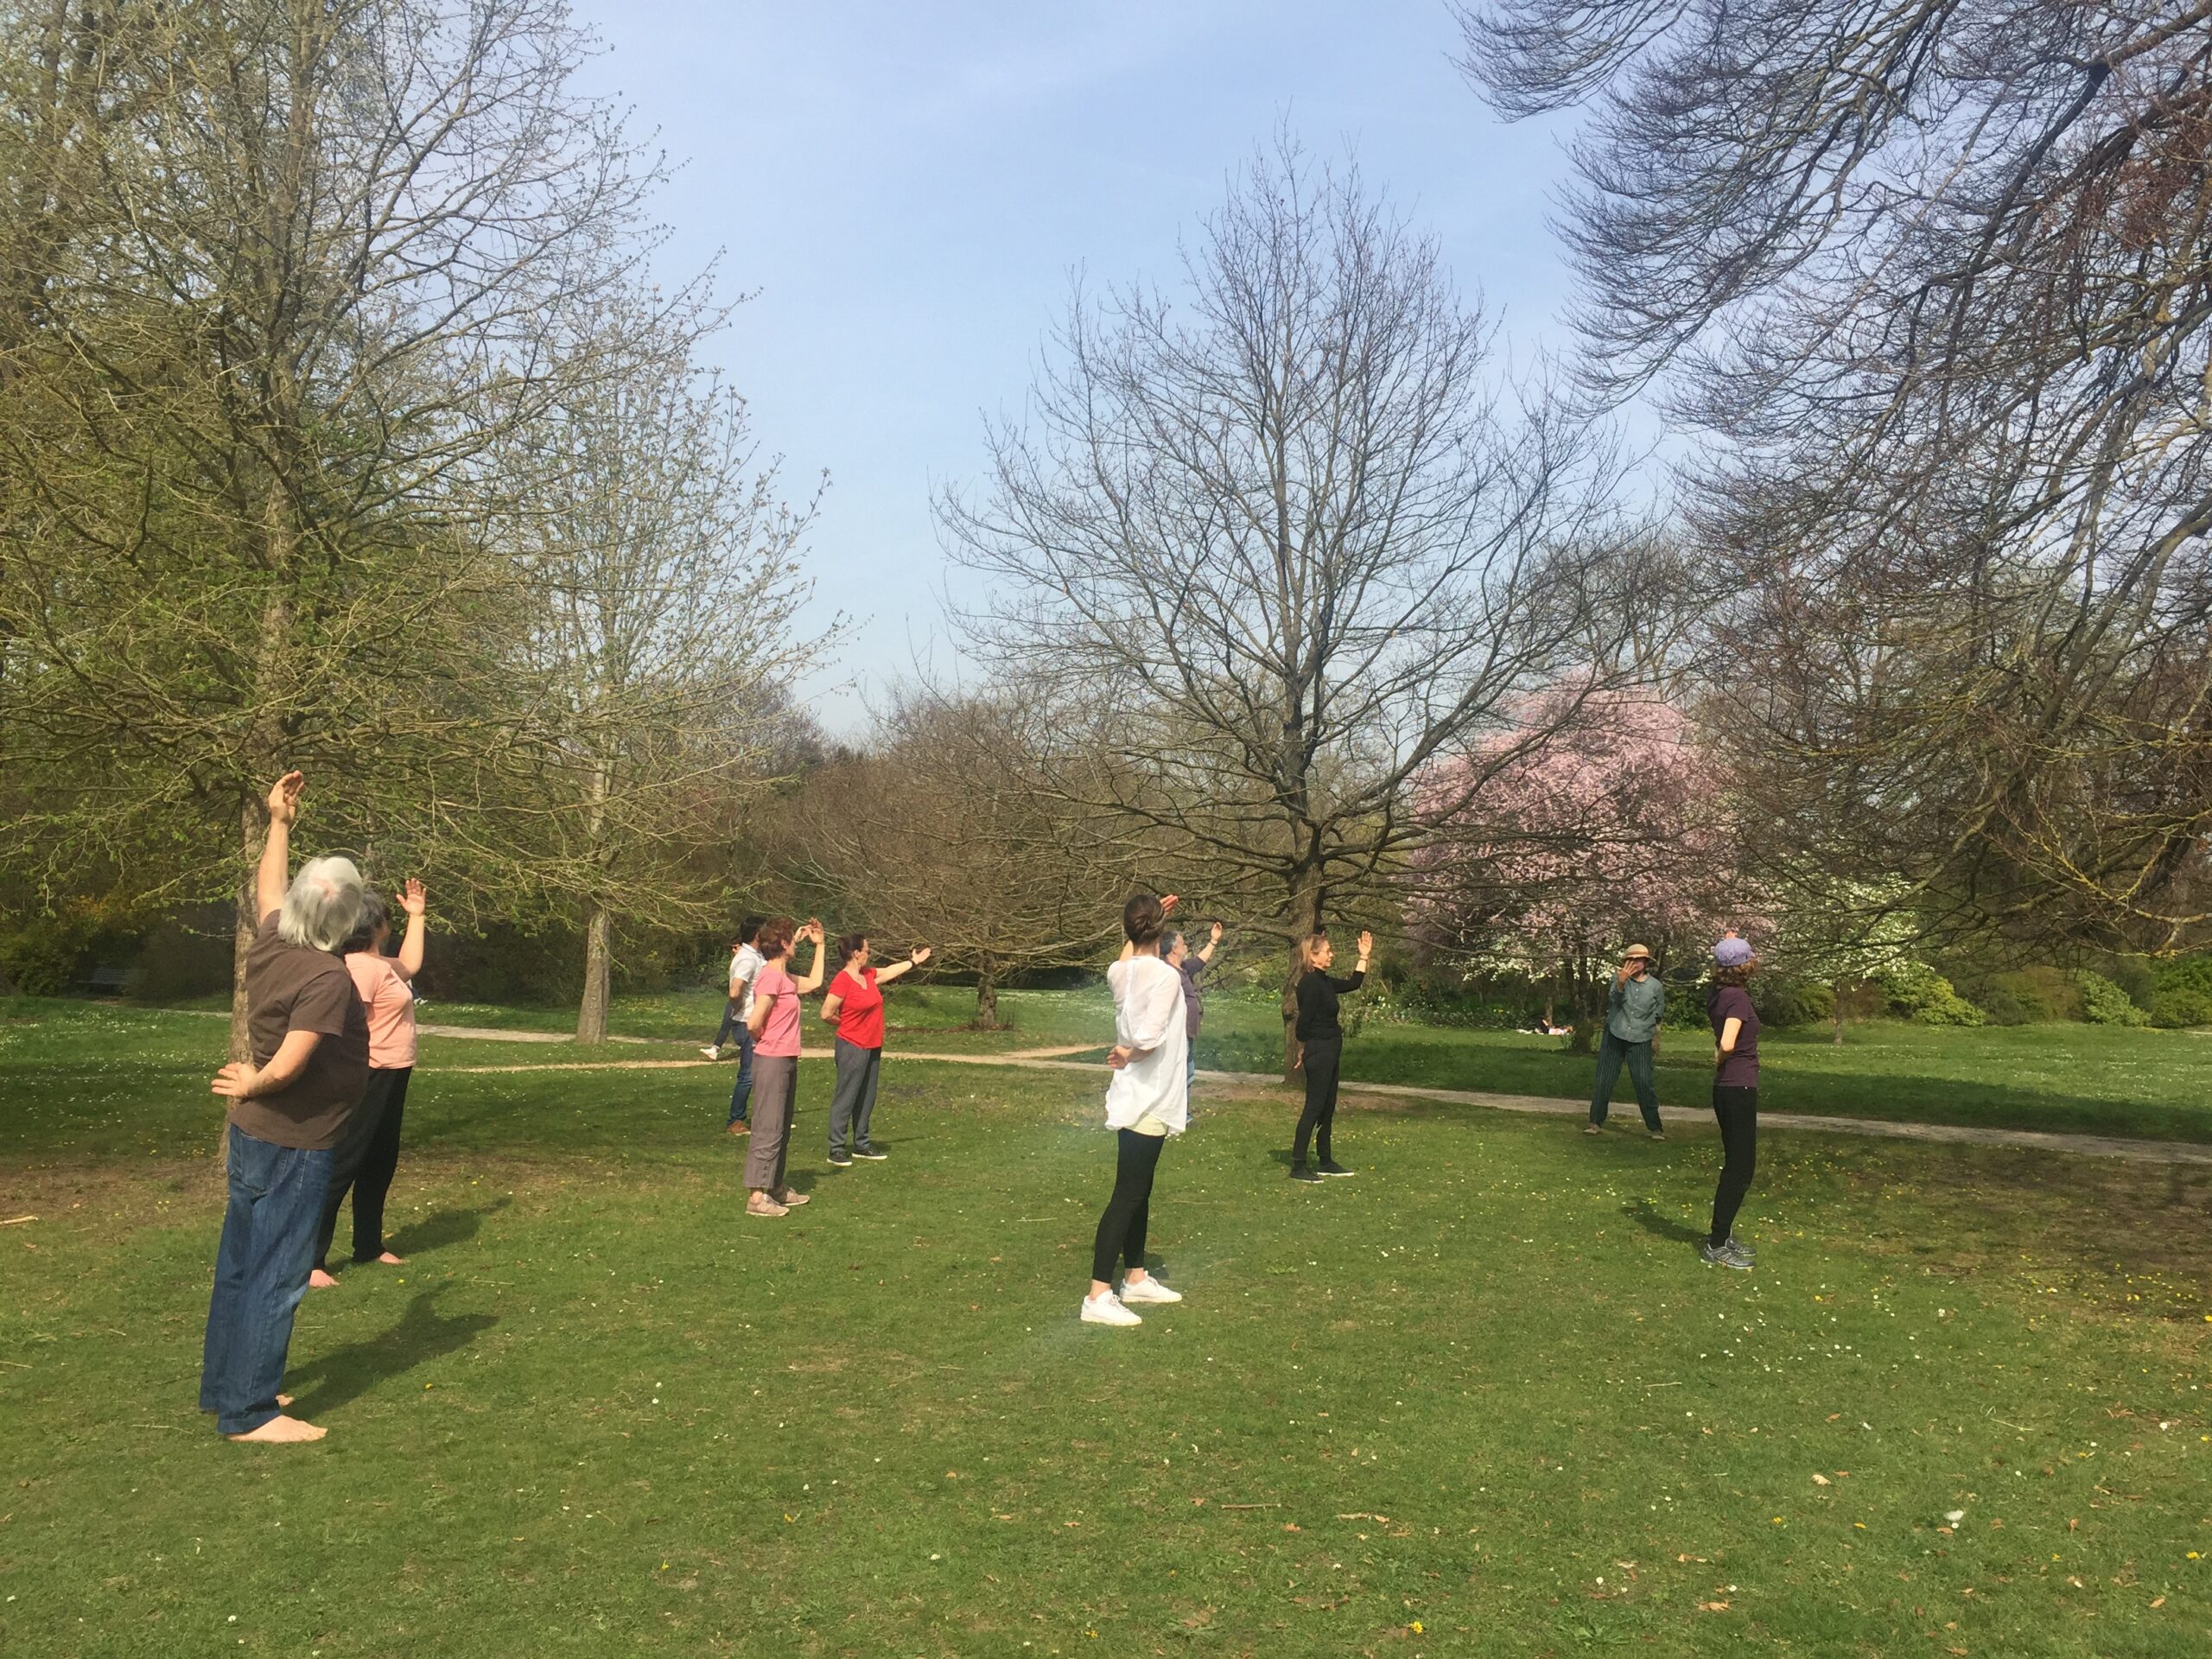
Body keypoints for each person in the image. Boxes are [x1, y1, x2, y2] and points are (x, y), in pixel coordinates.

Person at [201, 772, 370, 1444]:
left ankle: (231, 1387)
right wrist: (254, 1082)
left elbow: (268, 888)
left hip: (255, 1140)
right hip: (293, 1144)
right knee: (276, 1277)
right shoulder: (327, 976)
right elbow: (293, 1063)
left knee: (241, 1268)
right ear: (347, 920)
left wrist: (279, 822)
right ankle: (251, 1414)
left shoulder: (273, 937)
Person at [308, 879, 428, 1287]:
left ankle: (369, 1246)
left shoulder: (382, 965)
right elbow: (344, 1024)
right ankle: (311, 1260)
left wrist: (418, 916)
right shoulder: (360, 968)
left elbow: (410, 964)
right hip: (368, 1075)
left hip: (395, 1073)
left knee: (380, 1161)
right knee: (344, 1163)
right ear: (372, 924)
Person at [1083, 892, 1189, 1326]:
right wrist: (1129, 1053)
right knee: (1127, 1194)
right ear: (1160, 932)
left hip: (1136, 1096)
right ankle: (1098, 1294)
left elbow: (1128, 957)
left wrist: (1147, 921)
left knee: (1139, 1189)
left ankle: (1136, 1276)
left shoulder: (1118, 971)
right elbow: (1149, 1037)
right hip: (1148, 1096)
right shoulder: (1165, 977)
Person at [820, 932, 932, 1166]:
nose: (870, 955)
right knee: (847, 1096)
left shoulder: (868, 976)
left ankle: (861, 1143)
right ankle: (836, 1148)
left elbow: (890, 971)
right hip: (851, 1045)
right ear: (856, 953)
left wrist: (914, 962)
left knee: (867, 1097)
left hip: (872, 1045)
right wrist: (846, 1024)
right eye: (868, 951)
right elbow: (826, 1013)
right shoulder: (843, 980)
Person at [742, 916, 827, 1218]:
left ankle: (775, 1186)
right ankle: (756, 1197)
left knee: (780, 1129)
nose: (795, 943)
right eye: (792, 939)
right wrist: (766, 1039)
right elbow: (754, 1023)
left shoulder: (784, 978)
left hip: (787, 1060)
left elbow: (815, 982)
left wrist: (820, 945)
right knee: (767, 1128)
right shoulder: (770, 977)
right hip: (772, 1061)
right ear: (783, 944)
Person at [1288, 927, 1370, 1182]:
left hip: (1331, 1048)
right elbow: (1303, 1023)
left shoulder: (1324, 980)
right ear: (1313, 957)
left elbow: (1353, 983)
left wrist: (1364, 956)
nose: (1331, 954)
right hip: (1319, 1049)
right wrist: (1303, 1050)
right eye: (1327, 951)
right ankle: (1298, 1166)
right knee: (1314, 1107)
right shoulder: (1310, 984)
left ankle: (1325, 1160)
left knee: (1328, 1106)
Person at [1700, 932, 1763, 1269]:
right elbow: (1727, 1042)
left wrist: (1728, 942)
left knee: (1737, 1164)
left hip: (1729, 1088)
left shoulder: (1718, 993)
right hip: (1737, 1087)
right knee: (1741, 1167)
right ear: (1745, 966)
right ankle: (1715, 1242)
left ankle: (1721, 1236)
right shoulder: (1737, 999)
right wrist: (1722, 1059)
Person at [1586, 943, 1667, 1139]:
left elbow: (1658, 1015)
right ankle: (1595, 1122)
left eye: (1639, 960)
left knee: (1643, 1082)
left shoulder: (1655, 986)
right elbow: (1614, 1000)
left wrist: (1656, 1039)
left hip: (1641, 1038)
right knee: (1604, 1079)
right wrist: (1621, 983)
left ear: (1646, 962)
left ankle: (1655, 1128)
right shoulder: (1618, 978)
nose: (1635, 963)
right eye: (1631, 960)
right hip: (1615, 1034)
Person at [710, 918, 766, 1135]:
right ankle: (735, 1120)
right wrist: (739, 1008)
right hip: (746, 1022)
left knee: (759, 1073)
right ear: (757, 934)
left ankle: (762, 1117)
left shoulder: (755, 955)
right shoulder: (746, 959)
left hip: (755, 1021)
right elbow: (735, 991)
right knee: (748, 1074)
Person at [1164, 919, 1223, 1097]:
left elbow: (1200, 961)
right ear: (1174, 949)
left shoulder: (1182, 968)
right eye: (1182, 943)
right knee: (1177, 1075)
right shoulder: (1166, 972)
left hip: (1187, 1034)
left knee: (1188, 1075)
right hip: (1176, 1033)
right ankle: (1175, 1114)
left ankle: (1184, 1116)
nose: (1186, 946)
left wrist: (1214, 940)